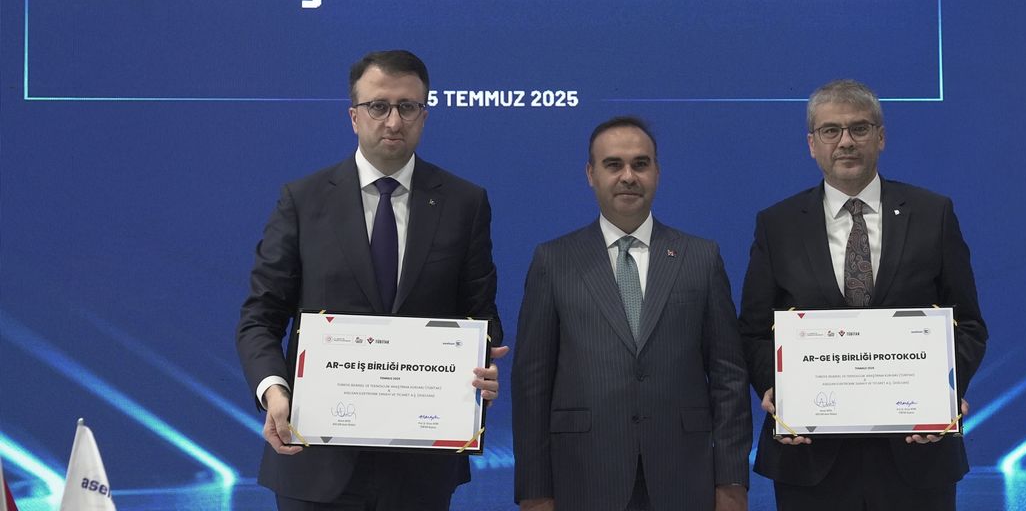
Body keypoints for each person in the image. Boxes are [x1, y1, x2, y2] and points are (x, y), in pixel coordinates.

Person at [235, 49, 506, 510]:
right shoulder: (303, 201)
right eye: (379, 106)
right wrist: (273, 390)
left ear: (424, 115)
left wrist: (483, 366)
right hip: (315, 463)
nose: (394, 121)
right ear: (354, 116)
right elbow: (259, 317)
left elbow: (481, 316)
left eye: (408, 107)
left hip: (421, 466)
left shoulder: (465, 203)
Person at [738, 80, 987, 510]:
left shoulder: (933, 214)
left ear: (881, 137)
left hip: (918, 454)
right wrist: (779, 391)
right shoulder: (778, 224)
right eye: (830, 131)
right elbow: (754, 331)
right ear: (812, 144)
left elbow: (968, 324)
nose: (846, 142)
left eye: (859, 128)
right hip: (809, 458)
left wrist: (944, 392)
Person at [512, 117, 752, 511]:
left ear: (657, 172)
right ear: (591, 174)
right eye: (613, 165)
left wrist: (732, 481)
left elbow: (728, 377)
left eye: (641, 164)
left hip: (684, 476)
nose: (628, 176)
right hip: (584, 476)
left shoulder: (700, 258)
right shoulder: (554, 261)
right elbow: (532, 385)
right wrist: (535, 490)